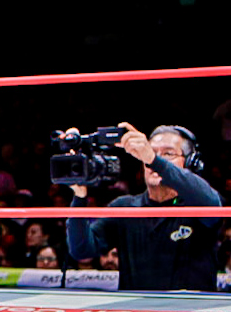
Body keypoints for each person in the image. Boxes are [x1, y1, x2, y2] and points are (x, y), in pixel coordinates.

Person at [66, 123, 223, 291]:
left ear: (190, 163)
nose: (152, 159)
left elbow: (211, 205)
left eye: (168, 153)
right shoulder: (124, 208)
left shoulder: (198, 203)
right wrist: (79, 196)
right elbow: (81, 249)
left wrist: (154, 160)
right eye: (150, 152)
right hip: (138, 307)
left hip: (190, 307)